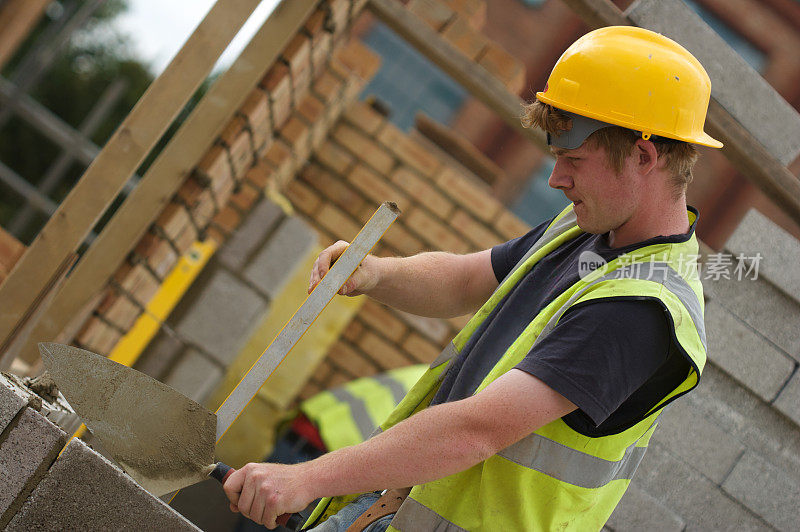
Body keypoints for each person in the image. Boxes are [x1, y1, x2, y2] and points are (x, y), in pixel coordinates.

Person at [222, 26, 719, 531]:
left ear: (643, 156)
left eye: (573, 161)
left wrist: (307, 479)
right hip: (396, 509)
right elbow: (465, 279)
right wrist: (374, 273)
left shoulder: (640, 309)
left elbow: (477, 430)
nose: (556, 179)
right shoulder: (585, 228)